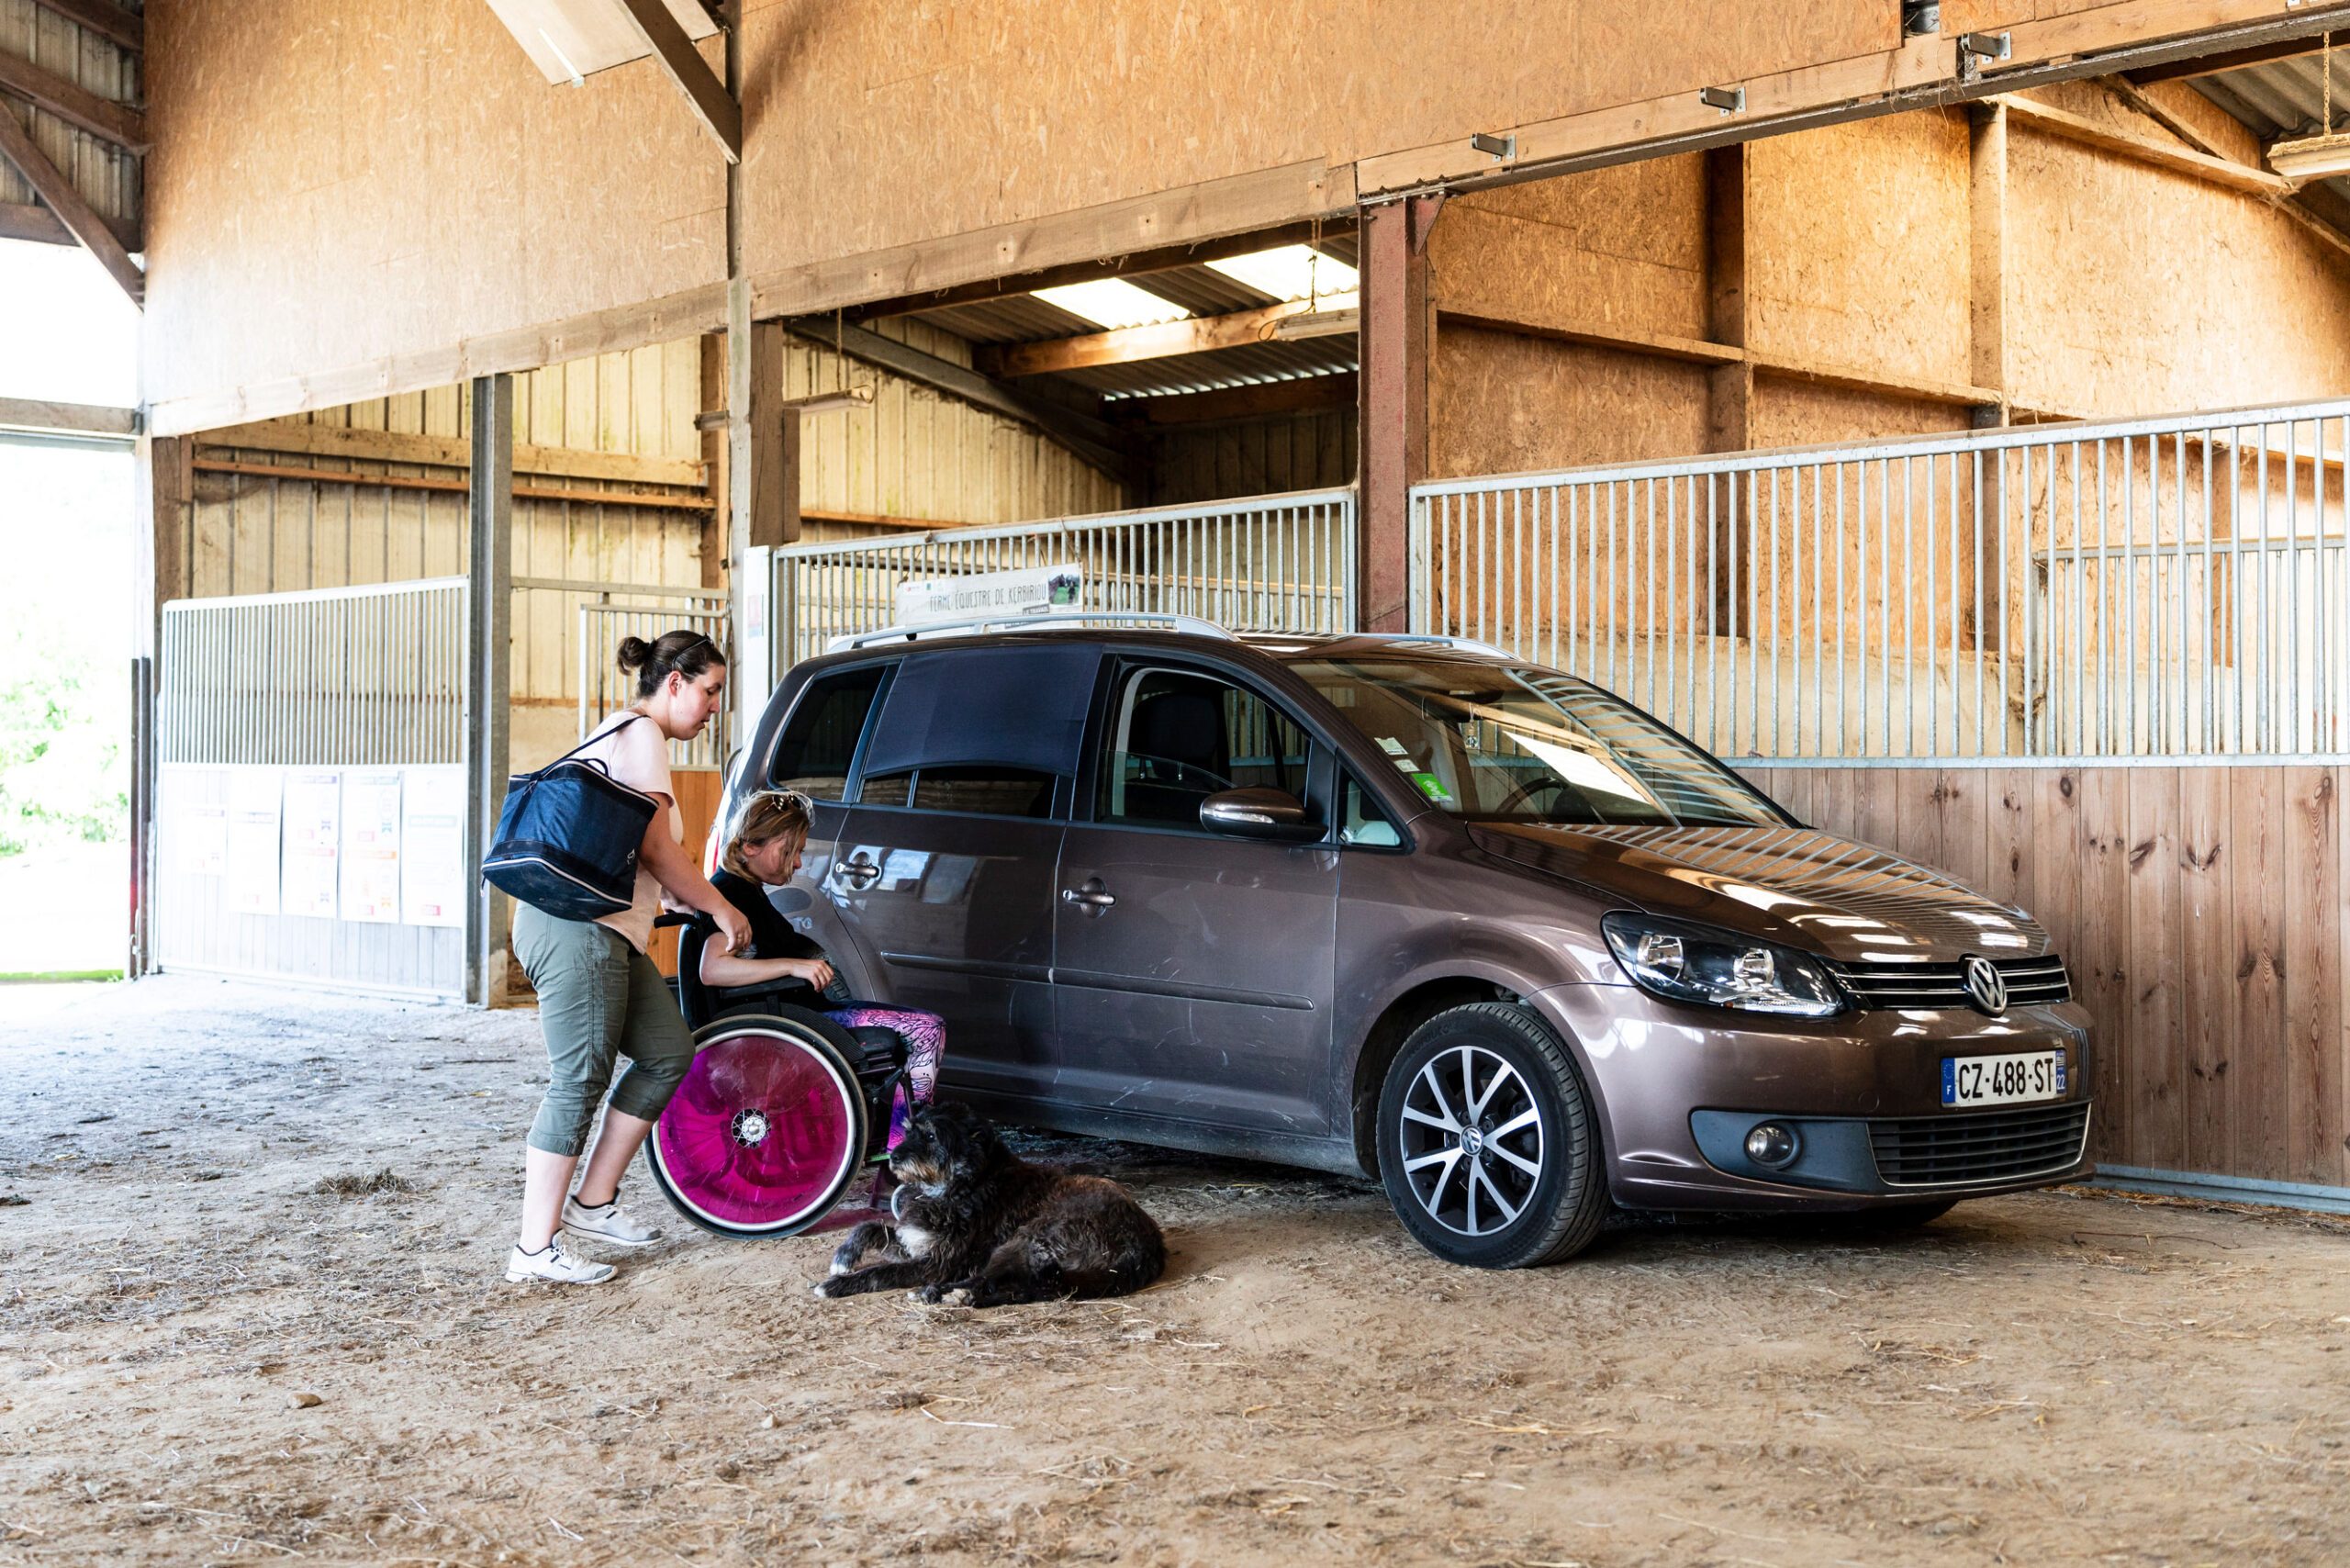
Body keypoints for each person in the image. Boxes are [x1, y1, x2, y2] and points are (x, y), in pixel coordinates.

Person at [504, 631, 752, 1285]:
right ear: (674, 682)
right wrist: (722, 909)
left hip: (607, 930)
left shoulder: (627, 736)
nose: (712, 708)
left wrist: (690, 901)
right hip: (576, 930)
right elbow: (658, 852)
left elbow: (650, 866)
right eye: (710, 691)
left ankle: (592, 1202)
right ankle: (534, 1249)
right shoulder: (641, 736)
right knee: (580, 1078)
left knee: (669, 1049)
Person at [704, 790, 945, 1147]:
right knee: (926, 1031)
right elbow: (713, 969)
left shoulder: (746, 890)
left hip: (800, 1012)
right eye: (790, 851)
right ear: (751, 846)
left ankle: (896, 1145)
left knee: (922, 1028)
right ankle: (902, 1152)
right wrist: (793, 965)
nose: (798, 863)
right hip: (787, 1019)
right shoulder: (730, 895)